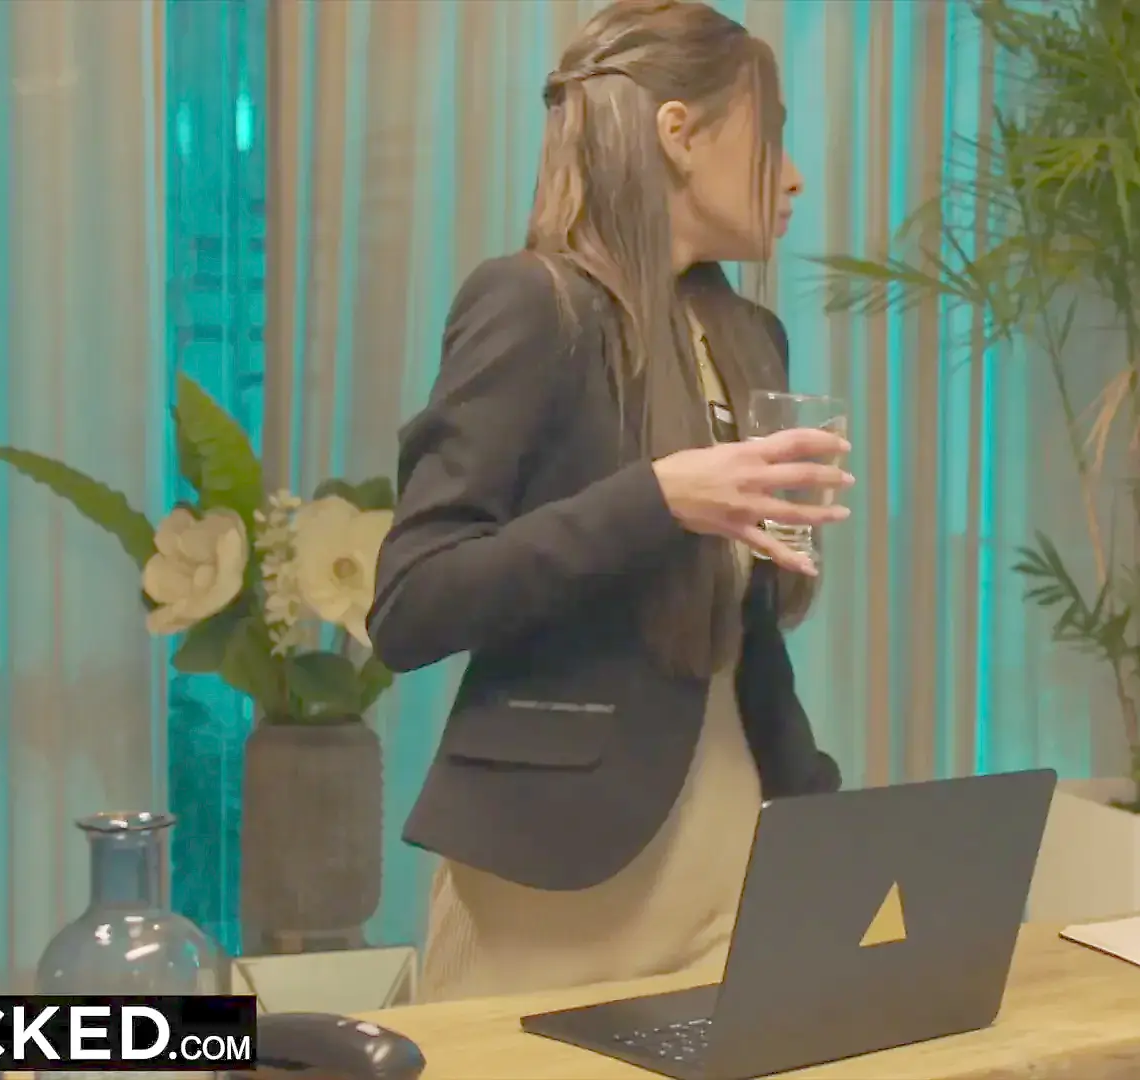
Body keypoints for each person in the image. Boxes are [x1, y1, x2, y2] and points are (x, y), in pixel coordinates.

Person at [367, 0, 854, 1004]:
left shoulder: (749, 339)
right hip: (555, 876)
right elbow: (412, 602)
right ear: (678, 133)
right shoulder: (531, 303)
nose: (795, 174)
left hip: (733, 856)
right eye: (773, 133)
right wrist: (656, 500)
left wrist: (821, 820)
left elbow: (749, 638)